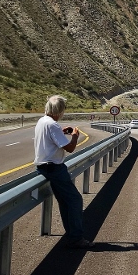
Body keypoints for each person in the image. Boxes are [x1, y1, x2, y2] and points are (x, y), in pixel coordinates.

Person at [34, 95, 94, 249]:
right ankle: (75, 237)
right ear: (60, 110)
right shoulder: (52, 125)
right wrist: (74, 136)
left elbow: (50, 138)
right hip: (54, 168)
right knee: (74, 201)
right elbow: (70, 148)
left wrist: (61, 132)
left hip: (43, 166)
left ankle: (72, 234)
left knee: (65, 202)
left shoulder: (42, 121)